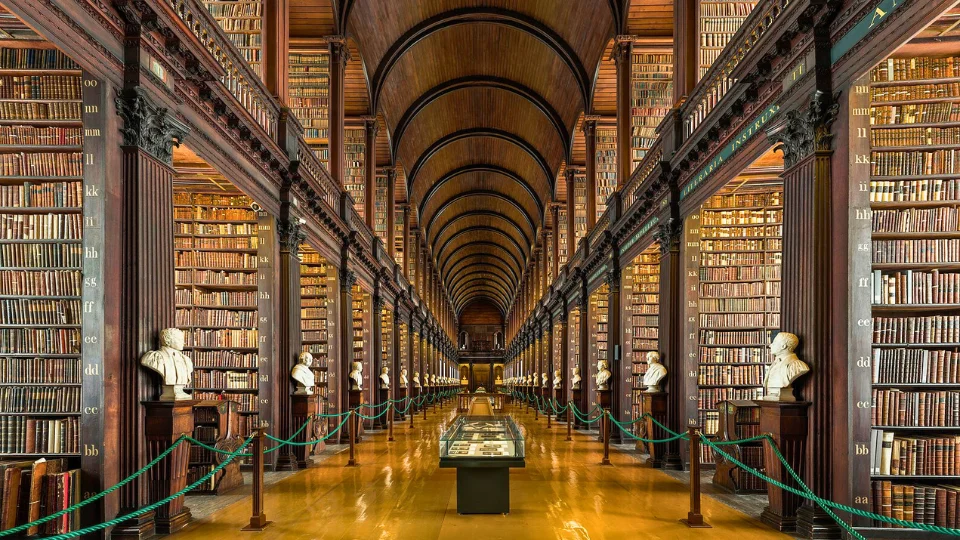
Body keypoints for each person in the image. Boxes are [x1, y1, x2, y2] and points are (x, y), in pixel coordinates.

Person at [140, 328, 194, 401]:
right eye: (180, 340)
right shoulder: (153, 357)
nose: (184, 343)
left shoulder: (186, 360)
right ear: (168, 340)